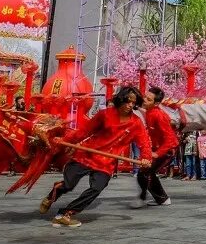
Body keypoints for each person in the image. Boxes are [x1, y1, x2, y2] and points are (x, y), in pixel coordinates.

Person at [39, 85, 152, 228]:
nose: (130, 105)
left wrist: (146, 157)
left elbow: (144, 142)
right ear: (120, 99)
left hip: (106, 162)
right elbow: (85, 131)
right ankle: (52, 195)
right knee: (68, 185)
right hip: (87, 154)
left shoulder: (136, 123)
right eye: (127, 101)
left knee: (96, 188)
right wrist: (65, 142)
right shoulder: (105, 114)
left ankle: (65, 213)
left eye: (133, 103)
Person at [133, 87, 178, 208]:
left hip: (166, 150)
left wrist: (157, 153)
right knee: (148, 172)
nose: (144, 100)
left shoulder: (159, 115)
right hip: (157, 148)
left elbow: (171, 140)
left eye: (148, 99)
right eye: (145, 96)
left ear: (156, 103)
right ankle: (162, 199)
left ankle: (142, 198)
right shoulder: (149, 111)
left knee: (144, 172)